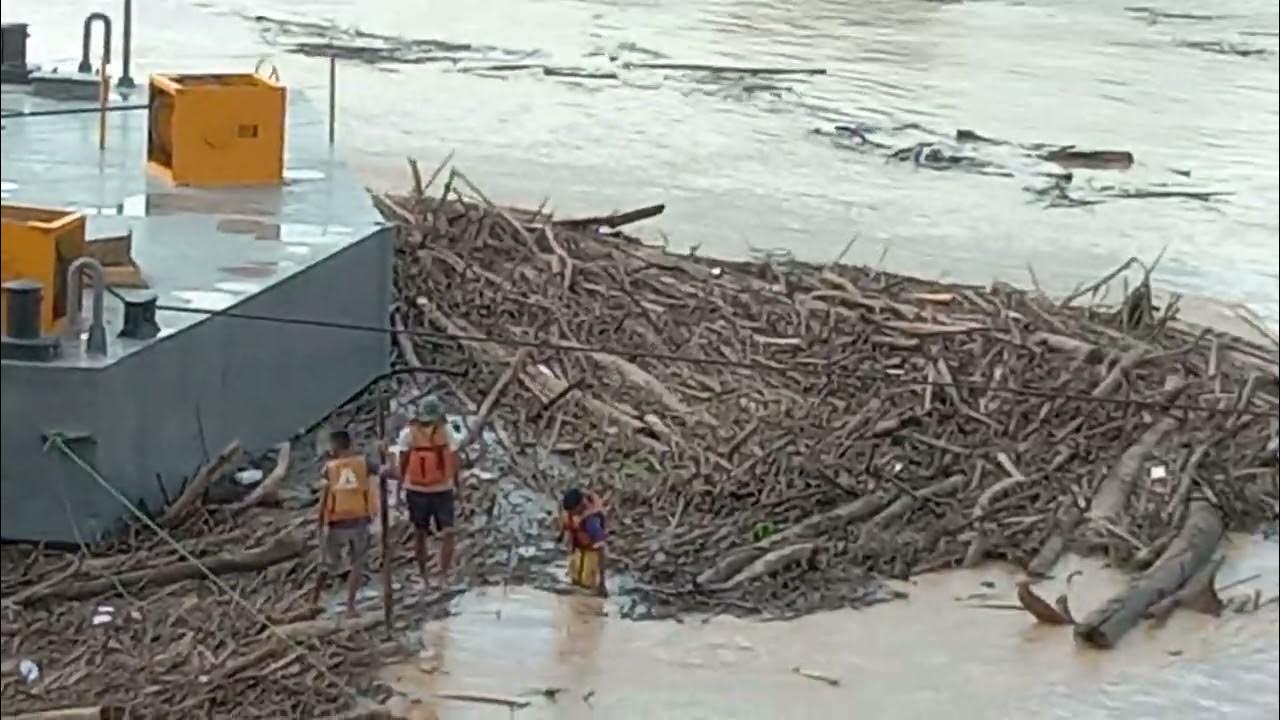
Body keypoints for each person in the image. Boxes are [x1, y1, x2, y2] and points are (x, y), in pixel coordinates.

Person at [312, 429, 381, 615]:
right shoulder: (364, 462)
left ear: (335, 446)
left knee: (326, 563)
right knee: (357, 564)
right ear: (349, 445)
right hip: (359, 520)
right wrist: (385, 451)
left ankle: (314, 601)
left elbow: (324, 498)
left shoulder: (328, 469)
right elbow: (385, 471)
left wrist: (320, 524)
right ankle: (350, 605)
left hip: (337, 521)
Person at [399, 398, 460, 595]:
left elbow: (454, 460)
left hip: (443, 489)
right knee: (419, 533)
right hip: (416, 490)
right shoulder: (408, 434)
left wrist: (458, 485)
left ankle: (443, 576)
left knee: (449, 532)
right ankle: (423, 577)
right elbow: (403, 460)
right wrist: (400, 486)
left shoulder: (447, 432)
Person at [559, 487, 608, 597]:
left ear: (580, 506)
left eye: (573, 511)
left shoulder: (592, 521)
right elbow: (566, 528)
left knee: (587, 585)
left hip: (591, 553)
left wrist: (602, 582)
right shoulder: (569, 513)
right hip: (577, 550)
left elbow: (602, 549)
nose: (571, 514)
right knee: (574, 579)